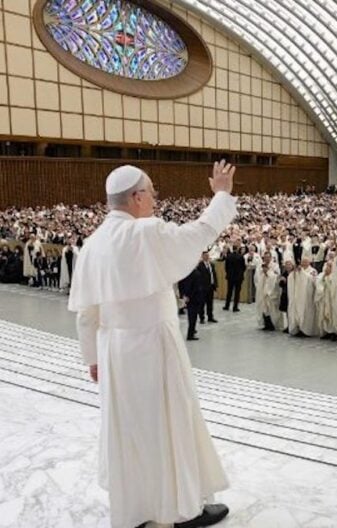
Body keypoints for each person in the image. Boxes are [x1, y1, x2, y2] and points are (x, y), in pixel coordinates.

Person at [68, 161, 236, 528]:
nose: (156, 201)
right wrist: (221, 193)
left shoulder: (93, 245)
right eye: (153, 194)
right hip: (153, 347)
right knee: (169, 427)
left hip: (113, 352)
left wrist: (93, 359)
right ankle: (181, 510)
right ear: (138, 197)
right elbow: (201, 231)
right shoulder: (145, 233)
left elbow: (86, 313)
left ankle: (139, 511)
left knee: (130, 433)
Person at [287, 256, 318, 337]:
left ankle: (306, 330)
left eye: (305, 262)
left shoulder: (313, 271)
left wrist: (303, 273)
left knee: (307, 313)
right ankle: (298, 328)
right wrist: (295, 273)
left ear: (309, 262)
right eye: (302, 262)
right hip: (299, 296)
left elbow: (313, 280)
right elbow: (292, 278)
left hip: (307, 297)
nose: (304, 264)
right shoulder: (298, 270)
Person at [179, 258, 206, 341]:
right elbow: (195, 287)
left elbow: (182, 284)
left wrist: (184, 295)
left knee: (192, 316)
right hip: (195, 298)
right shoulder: (196, 273)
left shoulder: (186, 273)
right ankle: (190, 334)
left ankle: (192, 331)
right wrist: (189, 296)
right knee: (193, 317)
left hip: (190, 297)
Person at [223, 240, 245, 312]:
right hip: (238, 277)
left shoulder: (228, 256)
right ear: (237, 249)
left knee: (229, 292)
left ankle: (227, 306)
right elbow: (243, 267)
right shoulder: (240, 256)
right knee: (237, 292)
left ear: (232, 248)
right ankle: (235, 307)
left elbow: (226, 267)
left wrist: (228, 273)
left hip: (230, 276)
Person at [198, 250, 218, 324]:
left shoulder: (211, 265)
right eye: (205, 255)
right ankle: (202, 318)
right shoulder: (200, 266)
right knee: (202, 304)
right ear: (202, 256)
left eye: (208, 255)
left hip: (211, 287)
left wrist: (215, 285)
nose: (207, 256)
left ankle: (210, 317)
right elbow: (199, 278)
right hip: (203, 288)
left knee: (210, 303)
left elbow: (214, 275)